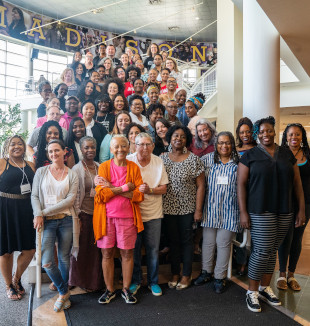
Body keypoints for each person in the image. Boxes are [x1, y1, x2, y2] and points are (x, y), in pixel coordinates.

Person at [237, 116, 305, 313]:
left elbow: (297, 184)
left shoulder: (286, 154)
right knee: (261, 251)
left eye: (269, 131)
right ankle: (251, 291)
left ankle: (264, 287)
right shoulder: (249, 156)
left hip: (284, 209)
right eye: (261, 132)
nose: (265, 134)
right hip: (260, 210)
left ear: (275, 131)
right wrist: (243, 212)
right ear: (257, 135)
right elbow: (240, 184)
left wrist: (300, 210)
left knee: (272, 250)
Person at [93, 135, 144, 304]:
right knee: (106, 253)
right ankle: (109, 290)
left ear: (129, 148)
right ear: (110, 149)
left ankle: (126, 289)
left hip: (128, 218)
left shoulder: (134, 168)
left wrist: (112, 188)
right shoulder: (104, 167)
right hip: (106, 218)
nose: (120, 149)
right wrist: (123, 188)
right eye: (116, 147)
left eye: (123, 146)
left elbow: (138, 195)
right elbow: (101, 194)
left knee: (127, 254)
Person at [32, 139, 79, 312]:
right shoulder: (41, 172)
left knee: (64, 258)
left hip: (66, 219)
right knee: (46, 262)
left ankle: (61, 295)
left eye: (57, 151)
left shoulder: (72, 174)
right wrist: (39, 213)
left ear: (64, 152)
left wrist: (43, 212)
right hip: (47, 222)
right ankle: (64, 291)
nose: (53, 154)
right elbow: (35, 196)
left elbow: (70, 200)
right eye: (50, 151)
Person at [193, 132, 240, 293]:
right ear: (216, 144)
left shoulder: (239, 163)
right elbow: (197, 180)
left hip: (230, 211)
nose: (224, 146)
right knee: (207, 243)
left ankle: (219, 277)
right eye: (220, 143)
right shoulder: (206, 160)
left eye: (227, 143)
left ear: (232, 144)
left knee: (223, 244)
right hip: (210, 210)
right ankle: (206, 272)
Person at [162, 125, 205, 290]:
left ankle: (186, 275)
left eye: (182, 136)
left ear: (187, 140)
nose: (178, 139)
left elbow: (201, 186)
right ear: (170, 138)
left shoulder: (193, 159)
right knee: (173, 242)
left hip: (188, 208)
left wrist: (198, 210)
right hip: (168, 207)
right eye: (175, 136)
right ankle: (174, 273)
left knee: (187, 242)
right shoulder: (162, 158)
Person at [127, 133, 169, 297]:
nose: (144, 148)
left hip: (154, 214)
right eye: (141, 144)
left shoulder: (158, 161)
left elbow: (164, 189)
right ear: (135, 145)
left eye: (148, 144)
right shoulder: (129, 160)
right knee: (134, 250)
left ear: (152, 145)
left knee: (152, 250)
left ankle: (153, 282)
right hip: (133, 213)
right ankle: (136, 281)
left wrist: (149, 190)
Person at [0, 136, 35, 300]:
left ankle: (17, 278)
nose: (16, 146)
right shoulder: (2, 163)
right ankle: (9, 285)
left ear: (24, 147)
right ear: (7, 147)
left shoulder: (31, 166)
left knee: (29, 250)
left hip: (26, 211)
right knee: (6, 252)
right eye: (13, 144)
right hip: (5, 211)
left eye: (20, 143)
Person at [277, 123, 310, 291]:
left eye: (297, 134)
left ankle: (291, 275)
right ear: (286, 137)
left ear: (302, 136)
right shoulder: (281, 154)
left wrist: (304, 209)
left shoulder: (308, 155)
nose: (294, 137)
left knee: (297, 239)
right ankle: (281, 275)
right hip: (285, 202)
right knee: (285, 238)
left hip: (305, 203)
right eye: (290, 134)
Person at [69, 136, 104, 291]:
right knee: (81, 250)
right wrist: (77, 217)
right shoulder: (77, 169)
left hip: (99, 215)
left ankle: (94, 283)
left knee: (96, 251)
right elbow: (75, 196)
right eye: (86, 148)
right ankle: (78, 281)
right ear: (81, 150)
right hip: (84, 214)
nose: (90, 150)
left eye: (92, 147)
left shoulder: (99, 166)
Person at [234, 117, 257, 276]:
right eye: (242, 132)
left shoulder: (259, 148)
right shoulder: (234, 150)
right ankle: (241, 262)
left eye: (248, 131)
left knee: (256, 231)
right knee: (240, 231)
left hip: (255, 193)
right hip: (238, 193)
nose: (245, 134)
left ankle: (253, 262)